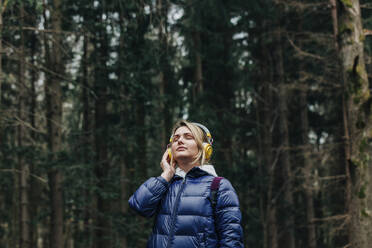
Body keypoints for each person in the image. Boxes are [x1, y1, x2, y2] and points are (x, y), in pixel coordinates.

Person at [128, 120, 244, 247]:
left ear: (205, 147)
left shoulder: (218, 186)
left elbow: (231, 240)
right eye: (176, 138)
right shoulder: (164, 184)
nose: (180, 141)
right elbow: (138, 206)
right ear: (169, 150)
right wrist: (165, 175)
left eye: (188, 137)